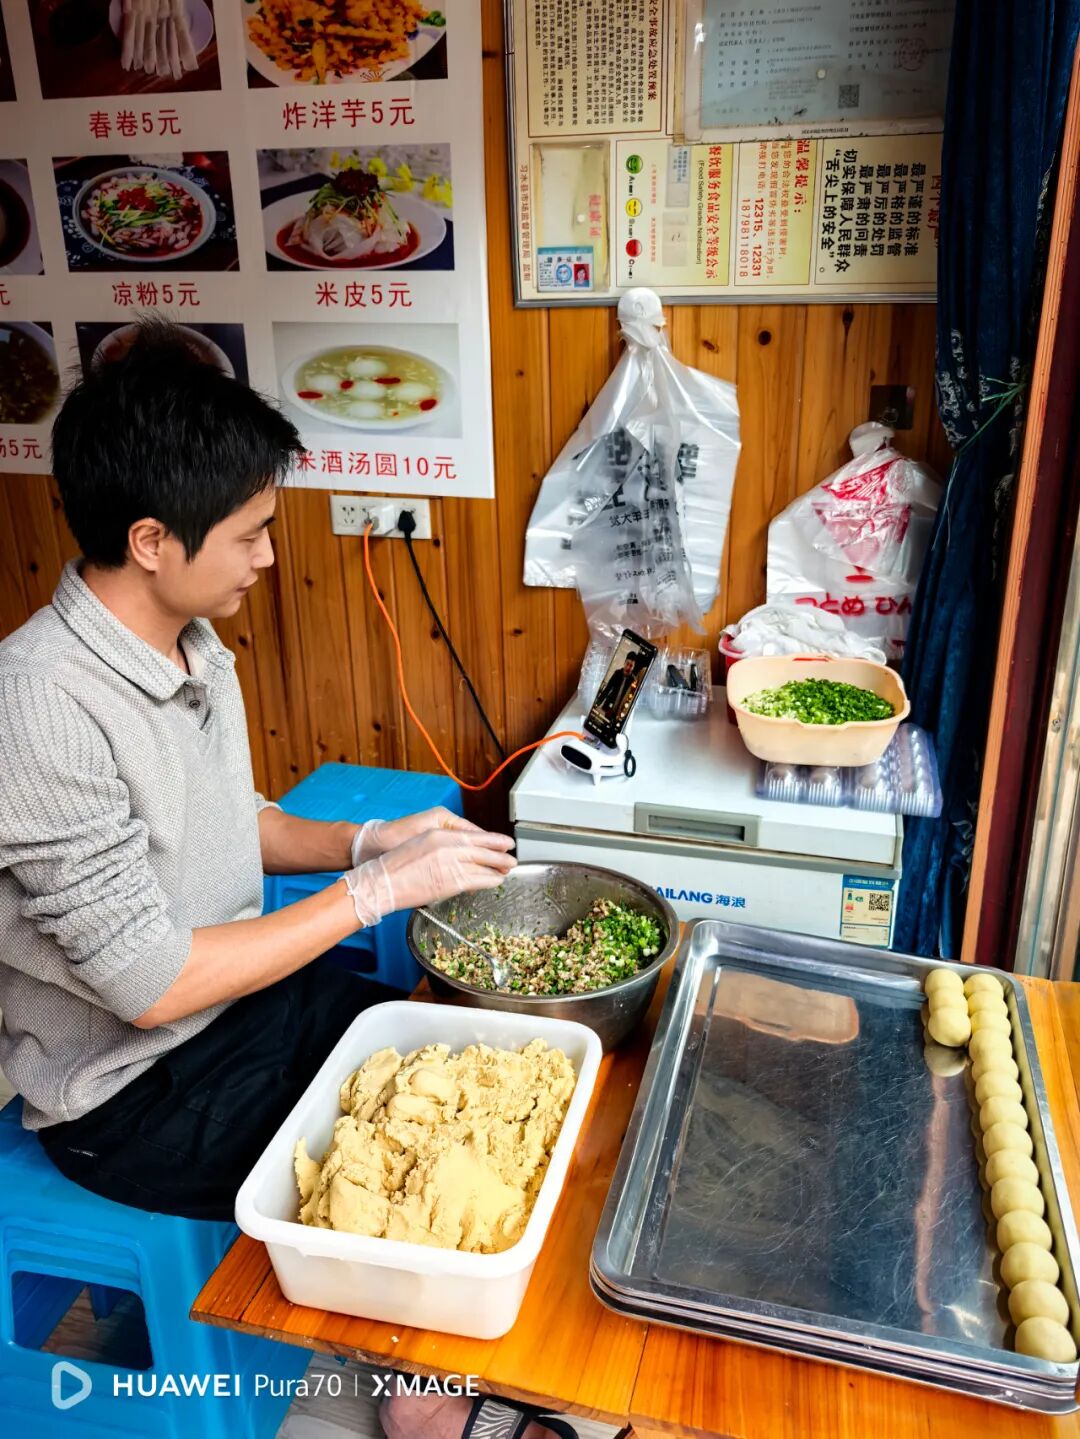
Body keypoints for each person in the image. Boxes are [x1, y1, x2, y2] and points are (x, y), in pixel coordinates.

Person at [0, 321, 572, 1439]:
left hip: (240, 1005)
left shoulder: (191, 644)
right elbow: (151, 984)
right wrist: (376, 893)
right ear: (155, 538)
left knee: (455, 1052)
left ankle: (431, 1370)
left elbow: (234, 823)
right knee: (411, 1155)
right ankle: (430, 1416)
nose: (271, 554)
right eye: (254, 532)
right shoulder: (40, 708)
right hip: (135, 1086)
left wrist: (367, 844)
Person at [594, 652, 640, 722]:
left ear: (633, 667)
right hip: (608, 707)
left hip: (620, 712)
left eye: (631, 666)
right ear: (624, 663)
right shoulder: (617, 673)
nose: (628, 667)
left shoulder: (633, 681)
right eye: (627, 664)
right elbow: (607, 689)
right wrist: (597, 703)